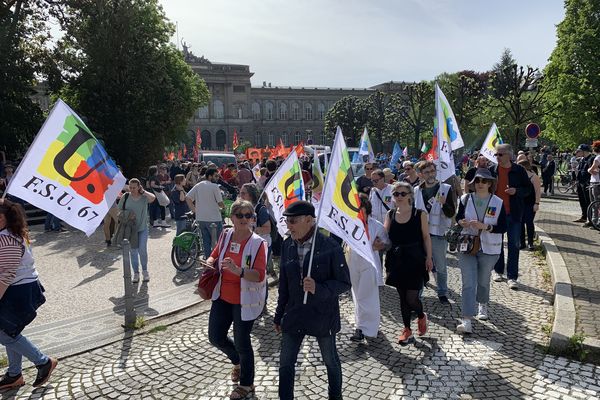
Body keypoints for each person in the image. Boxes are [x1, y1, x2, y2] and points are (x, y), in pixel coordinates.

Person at [274, 201, 351, 400]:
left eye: (293, 221)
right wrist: (278, 315)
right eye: (287, 220)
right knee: (285, 363)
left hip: (322, 314)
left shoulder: (330, 246)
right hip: (294, 313)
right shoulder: (287, 244)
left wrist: (319, 288)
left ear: (309, 220)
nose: (288, 225)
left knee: (330, 361)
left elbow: (344, 283)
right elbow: (284, 284)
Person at [206, 199, 267, 400]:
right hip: (222, 295)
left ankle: (247, 384)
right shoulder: (226, 234)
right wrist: (209, 262)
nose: (244, 218)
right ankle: (237, 362)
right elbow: (215, 254)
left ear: (252, 219)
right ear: (232, 217)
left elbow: (259, 275)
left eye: (248, 215)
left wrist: (239, 271)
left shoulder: (258, 243)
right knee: (215, 336)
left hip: (244, 300)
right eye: (239, 215)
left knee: (242, 342)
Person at [0, 199, 58, 389]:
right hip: (21, 288)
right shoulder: (10, 233)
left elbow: (6, 274)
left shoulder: (6, 238)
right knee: (11, 330)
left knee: (5, 332)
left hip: (17, 290)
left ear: (3, 218)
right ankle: (14, 374)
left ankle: (43, 362)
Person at [456, 169, 507, 333]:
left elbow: (504, 227)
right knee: (468, 283)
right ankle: (467, 320)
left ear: (490, 183)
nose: (480, 184)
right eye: (477, 181)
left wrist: (486, 227)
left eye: (484, 181)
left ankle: (482, 304)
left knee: (483, 281)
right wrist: (461, 222)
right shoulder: (465, 198)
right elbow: (458, 217)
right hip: (468, 246)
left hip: (489, 248)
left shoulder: (498, 202)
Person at [384, 182, 433, 345]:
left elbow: (426, 237)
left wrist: (429, 257)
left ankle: (420, 315)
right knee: (402, 297)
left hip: (415, 258)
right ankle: (407, 329)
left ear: (410, 195)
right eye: (396, 194)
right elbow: (385, 237)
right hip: (396, 259)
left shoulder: (419, 214)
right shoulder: (390, 214)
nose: (399, 197)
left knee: (412, 298)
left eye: (402, 194)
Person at [348, 194, 390, 342]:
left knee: (368, 297)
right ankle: (360, 325)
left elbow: (386, 242)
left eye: (360, 208)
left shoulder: (376, 225)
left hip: (369, 264)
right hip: (353, 262)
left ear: (366, 209)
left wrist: (379, 245)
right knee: (358, 296)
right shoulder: (350, 223)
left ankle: (366, 328)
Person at [489, 144, 531, 290]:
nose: (497, 157)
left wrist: (516, 191)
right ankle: (498, 270)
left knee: (514, 245)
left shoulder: (519, 170)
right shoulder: (492, 170)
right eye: (496, 155)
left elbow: (528, 190)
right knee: (497, 243)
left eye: (500, 155)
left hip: (514, 213)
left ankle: (512, 277)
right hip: (496, 213)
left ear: (509, 155)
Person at [413, 161, 456, 304]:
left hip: (438, 234)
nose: (431, 174)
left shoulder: (445, 188)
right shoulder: (416, 190)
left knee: (440, 265)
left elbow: (451, 213)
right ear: (420, 174)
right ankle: (418, 293)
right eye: (427, 172)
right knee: (419, 265)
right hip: (419, 234)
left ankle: (442, 292)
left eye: (432, 171)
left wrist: (444, 204)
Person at [117, 178, 156, 282]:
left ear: (139, 187)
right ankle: (136, 273)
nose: (132, 189)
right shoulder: (125, 197)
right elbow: (118, 211)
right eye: (130, 187)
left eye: (134, 187)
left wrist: (143, 191)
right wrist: (127, 214)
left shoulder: (144, 197)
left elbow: (153, 198)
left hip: (142, 228)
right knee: (133, 251)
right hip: (130, 230)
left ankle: (145, 271)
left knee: (142, 250)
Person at [186, 167, 225, 259]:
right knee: (218, 241)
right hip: (214, 218)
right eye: (215, 176)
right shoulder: (215, 187)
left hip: (201, 218)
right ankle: (216, 261)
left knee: (206, 241)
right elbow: (220, 203)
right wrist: (224, 206)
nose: (217, 178)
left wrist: (194, 210)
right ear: (210, 176)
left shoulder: (199, 185)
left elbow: (187, 198)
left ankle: (208, 260)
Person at [518, 160, 541, 250]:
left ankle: (530, 242)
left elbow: (538, 191)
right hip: (520, 203)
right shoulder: (519, 177)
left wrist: (536, 203)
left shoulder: (534, 177)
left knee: (529, 222)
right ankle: (522, 242)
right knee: (520, 223)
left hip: (530, 203)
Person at [574, 144, 595, 226]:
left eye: (579, 151)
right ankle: (584, 216)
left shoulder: (591, 159)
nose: (578, 152)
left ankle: (590, 219)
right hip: (580, 182)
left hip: (587, 183)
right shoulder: (582, 159)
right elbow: (580, 170)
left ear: (584, 151)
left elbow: (591, 171)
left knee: (588, 201)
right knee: (582, 201)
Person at [587, 141, 600, 226]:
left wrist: (589, 170)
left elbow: (591, 169)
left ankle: (595, 222)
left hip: (595, 182)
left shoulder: (597, 158)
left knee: (595, 203)